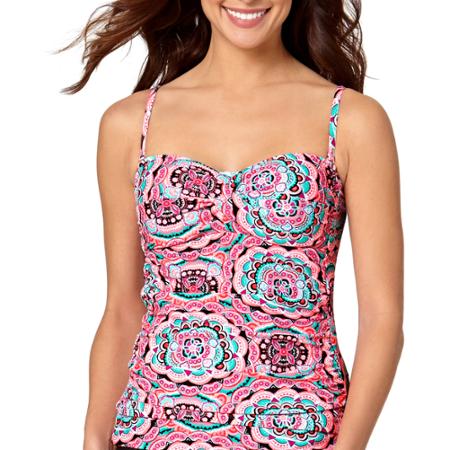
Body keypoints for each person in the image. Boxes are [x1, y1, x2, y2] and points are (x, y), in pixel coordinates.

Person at [59, 1, 404, 449]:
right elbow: (123, 309)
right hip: (151, 432)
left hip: (299, 431)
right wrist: (93, 435)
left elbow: (382, 319)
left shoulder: (352, 121)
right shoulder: (129, 125)